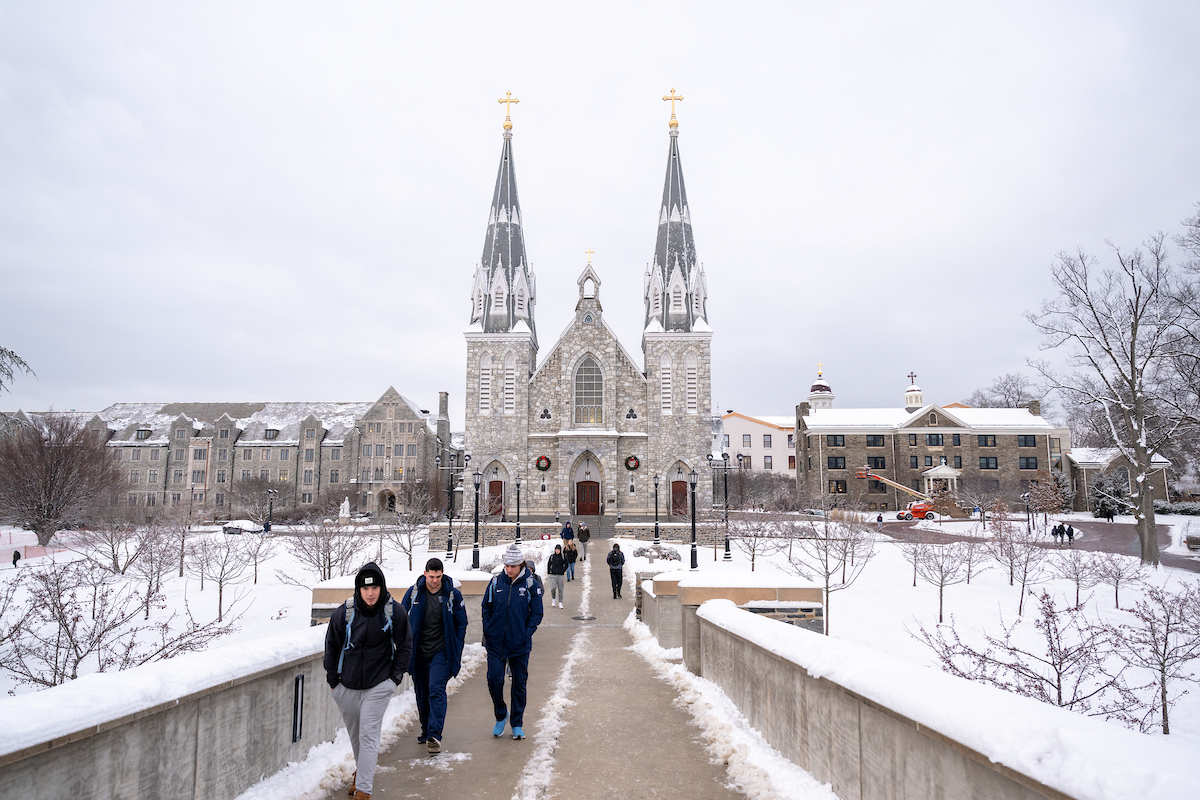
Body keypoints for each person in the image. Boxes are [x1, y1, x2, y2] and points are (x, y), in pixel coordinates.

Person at [325, 562, 413, 800]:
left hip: (378, 684)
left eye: (375, 587)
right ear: (358, 590)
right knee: (356, 736)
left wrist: (394, 678)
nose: (371, 592)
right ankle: (360, 774)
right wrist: (333, 680)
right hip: (347, 686)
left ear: (381, 587)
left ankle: (364, 789)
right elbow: (331, 646)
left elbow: (405, 645)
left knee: (369, 735)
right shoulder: (344, 613)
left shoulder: (394, 611)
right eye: (366, 588)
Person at [400, 558, 468, 755]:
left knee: (436, 689)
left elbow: (461, 622)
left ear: (442, 574)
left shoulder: (452, 594)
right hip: (419, 652)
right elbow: (401, 618)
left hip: (442, 651)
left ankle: (434, 735)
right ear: (425, 573)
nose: (435, 581)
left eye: (438, 576)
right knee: (421, 693)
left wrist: (457, 644)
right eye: (431, 577)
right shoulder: (414, 593)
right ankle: (425, 729)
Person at [482, 543, 544, 740]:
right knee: (494, 680)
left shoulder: (530, 584)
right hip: (496, 642)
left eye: (513, 566)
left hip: (519, 644)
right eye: (506, 566)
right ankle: (501, 714)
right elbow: (486, 608)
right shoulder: (495, 583)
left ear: (521, 565)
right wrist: (489, 629)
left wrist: (526, 633)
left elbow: (537, 613)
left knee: (519, 684)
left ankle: (517, 723)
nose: (509, 570)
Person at [545, 544, 567, 609]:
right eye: (556, 550)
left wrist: (563, 570)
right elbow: (549, 564)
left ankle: (560, 602)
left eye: (558, 550)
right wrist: (549, 572)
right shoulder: (552, 556)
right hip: (553, 574)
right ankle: (553, 598)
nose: (557, 551)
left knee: (561, 589)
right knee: (553, 588)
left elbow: (566, 564)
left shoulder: (563, 556)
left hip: (560, 574)